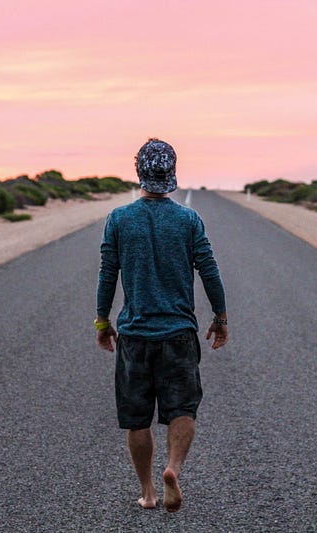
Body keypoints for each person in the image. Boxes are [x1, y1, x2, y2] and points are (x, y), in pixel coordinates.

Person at [95, 138, 228, 513]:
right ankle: (174, 468)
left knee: (137, 419)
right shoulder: (188, 219)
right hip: (178, 334)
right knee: (182, 409)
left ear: (139, 171)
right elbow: (209, 270)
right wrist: (220, 317)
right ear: (172, 173)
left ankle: (149, 492)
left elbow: (108, 273)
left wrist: (102, 320)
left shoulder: (119, 219)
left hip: (135, 335)